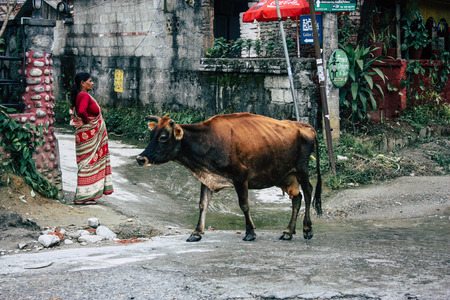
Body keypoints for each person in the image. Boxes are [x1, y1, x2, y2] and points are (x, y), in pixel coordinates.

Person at [69, 72, 114, 205]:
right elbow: (82, 111)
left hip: (89, 135)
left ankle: (86, 195)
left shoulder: (83, 95)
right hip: (88, 134)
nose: (92, 83)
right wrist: (88, 122)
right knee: (88, 162)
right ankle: (82, 197)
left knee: (89, 162)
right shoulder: (83, 95)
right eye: (90, 81)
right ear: (83, 83)